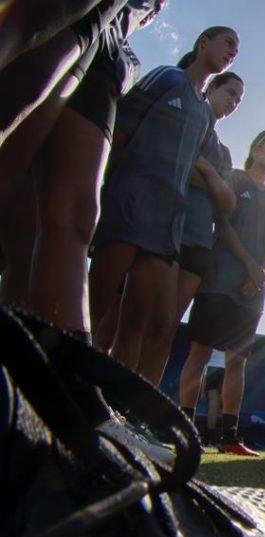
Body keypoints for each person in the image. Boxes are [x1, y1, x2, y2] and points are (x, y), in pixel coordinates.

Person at [0, 1, 163, 337]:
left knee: (71, 214)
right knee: (13, 186)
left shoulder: (126, 57)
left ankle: (60, 363)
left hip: (105, 47)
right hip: (77, 27)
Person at [88, 25, 239, 386]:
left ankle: (120, 405)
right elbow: (119, 131)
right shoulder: (166, 78)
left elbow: (202, 178)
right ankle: (65, 386)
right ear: (203, 42)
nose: (233, 50)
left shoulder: (203, 116)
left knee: (151, 319)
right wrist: (105, 189)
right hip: (130, 205)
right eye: (228, 43)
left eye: (237, 49)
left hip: (166, 227)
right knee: (98, 304)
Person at [178, 129, 265, 456]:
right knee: (200, 352)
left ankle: (230, 436)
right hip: (219, 281)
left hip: (251, 293)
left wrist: (257, 274)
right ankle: (182, 428)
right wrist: (247, 265)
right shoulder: (236, 180)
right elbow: (222, 224)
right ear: (256, 148)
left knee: (237, 361)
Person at [144, 70, 242, 384]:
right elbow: (176, 164)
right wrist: (207, 178)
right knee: (143, 316)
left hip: (199, 239)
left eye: (239, 100)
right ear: (212, 87)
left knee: (168, 325)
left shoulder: (223, 153)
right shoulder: (187, 118)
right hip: (166, 227)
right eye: (230, 93)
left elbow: (228, 202)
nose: (233, 103)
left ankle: (141, 402)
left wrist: (209, 174)